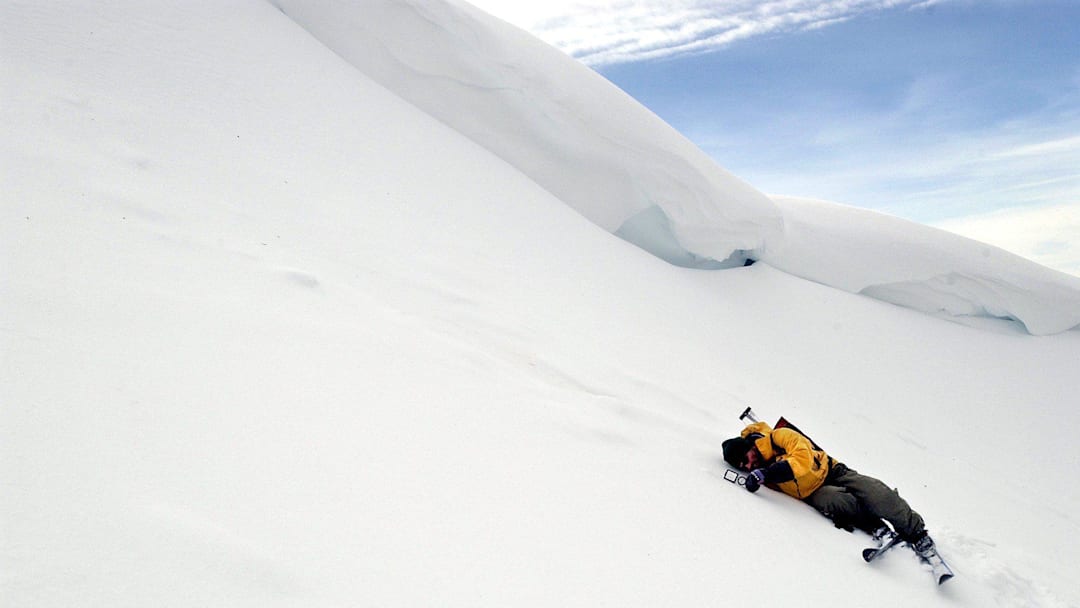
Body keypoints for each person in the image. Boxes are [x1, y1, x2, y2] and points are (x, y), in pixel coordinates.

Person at [723, 420, 938, 558]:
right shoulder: (759, 470)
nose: (749, 466)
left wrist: (767, 474)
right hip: (814, 492)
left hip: (832, 470)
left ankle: (916, 532)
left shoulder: (780, 437)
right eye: (744, 467)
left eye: (747, 459)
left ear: (751, 447)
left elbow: (802, 460)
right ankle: (875, 526)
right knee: (838, 501)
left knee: (874, 492)